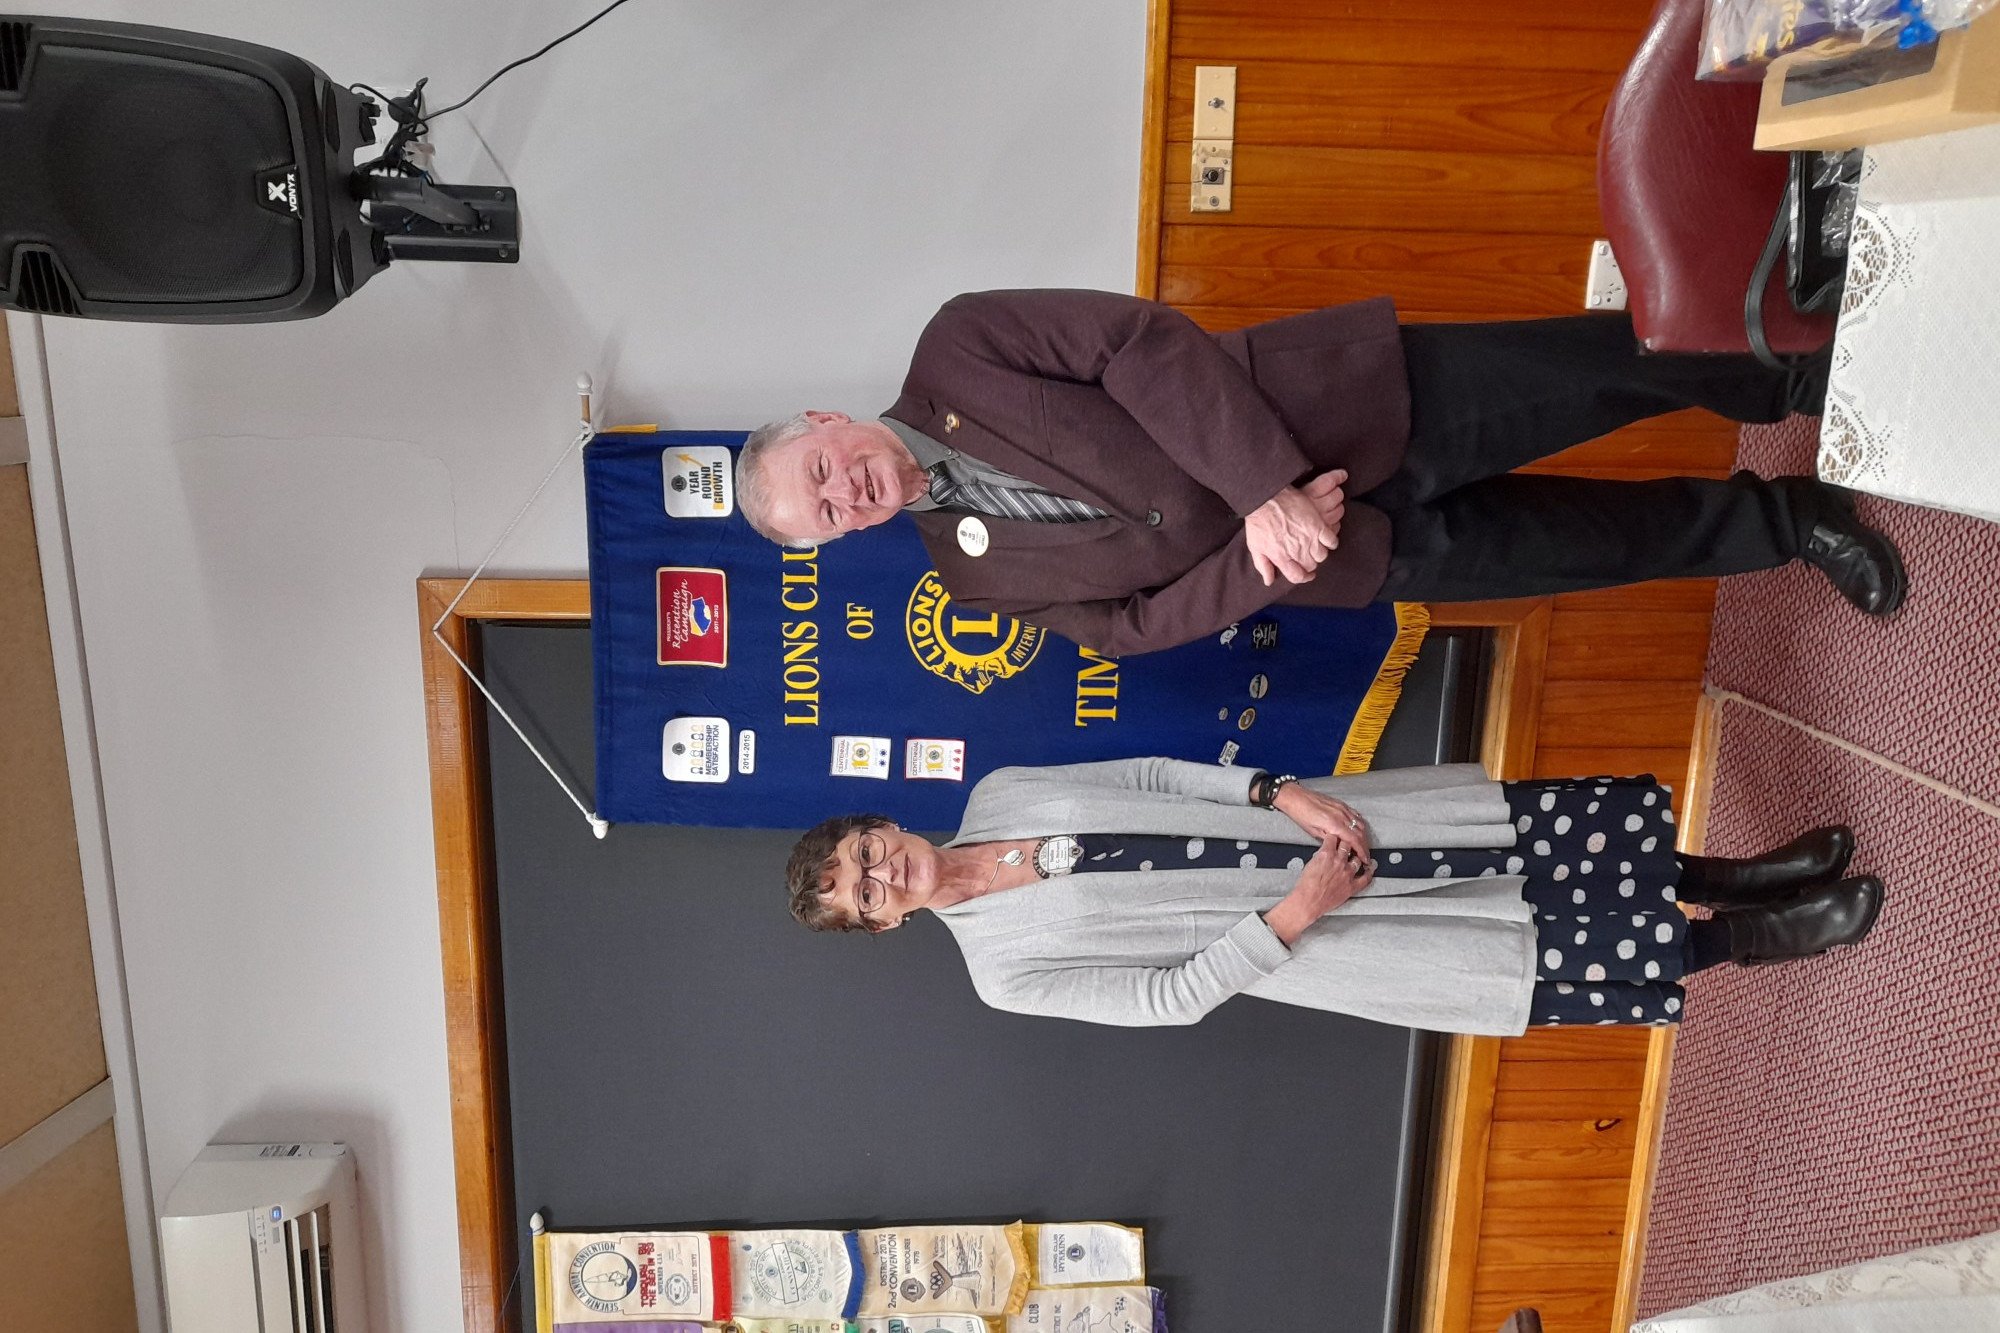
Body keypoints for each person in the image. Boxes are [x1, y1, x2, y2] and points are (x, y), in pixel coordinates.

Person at [734, 291, 1905, 657]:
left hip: (1340, 406)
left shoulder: (956, 349)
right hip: (1334, 557)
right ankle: (1785, 524)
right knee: (1587, 544)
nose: (845, 496)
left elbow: (1136, 345)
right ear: (837, 541)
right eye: (825, 515)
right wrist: (1259, 555)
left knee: (1594, 375)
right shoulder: (965, 574)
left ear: (831, 420)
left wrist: (1261, 489)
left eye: (823, 470)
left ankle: (1782, 372)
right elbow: (1130, 629)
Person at [782, 758, 1883, 1034]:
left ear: (879, 825)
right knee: (1538, 950)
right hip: (1326, 926)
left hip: (1314, 830)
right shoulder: (1001, 975)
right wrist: (1297, 911)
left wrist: (1282, 794)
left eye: (864, 851)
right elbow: (1167, 1000)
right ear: (881, 923)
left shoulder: (999, 790)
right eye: (864, 894)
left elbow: (1156, 777)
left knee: (1549, 838)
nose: (883, 872)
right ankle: (1756, 935)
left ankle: (1740, 872)